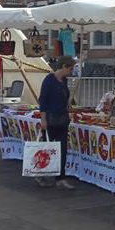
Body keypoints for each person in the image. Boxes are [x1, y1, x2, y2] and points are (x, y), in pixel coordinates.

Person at [38, 56, 75, 190]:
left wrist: (68, 105)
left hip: (62, 118)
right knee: (48, 149)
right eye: (70, 68)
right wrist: (43, 119)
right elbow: (43, 100)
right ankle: (41, 174)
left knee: (62, 149)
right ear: (64, 66)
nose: (71, 72)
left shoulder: (63, 80)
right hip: (51, 118)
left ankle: (61, 177)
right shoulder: (49, 80)